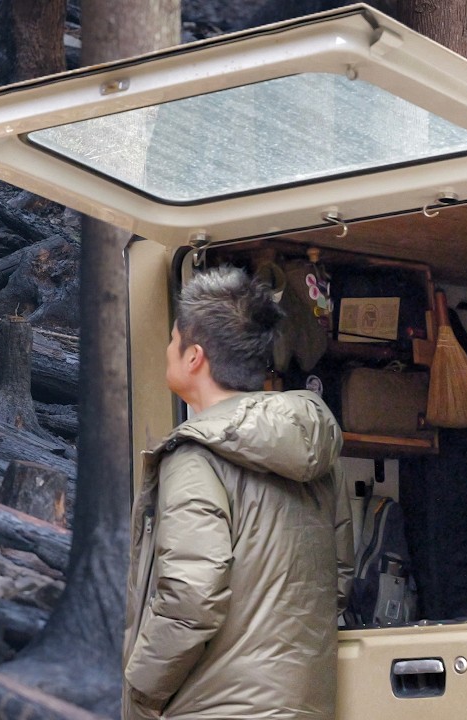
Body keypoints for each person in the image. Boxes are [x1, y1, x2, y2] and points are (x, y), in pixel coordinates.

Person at [123, 266, 354, 720]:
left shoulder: (194, 457)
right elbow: (338, 578)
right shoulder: (318, 453)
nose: (168, 350)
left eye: (173, 341)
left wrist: (138, 690)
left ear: (194, 357)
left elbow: (191, 599)